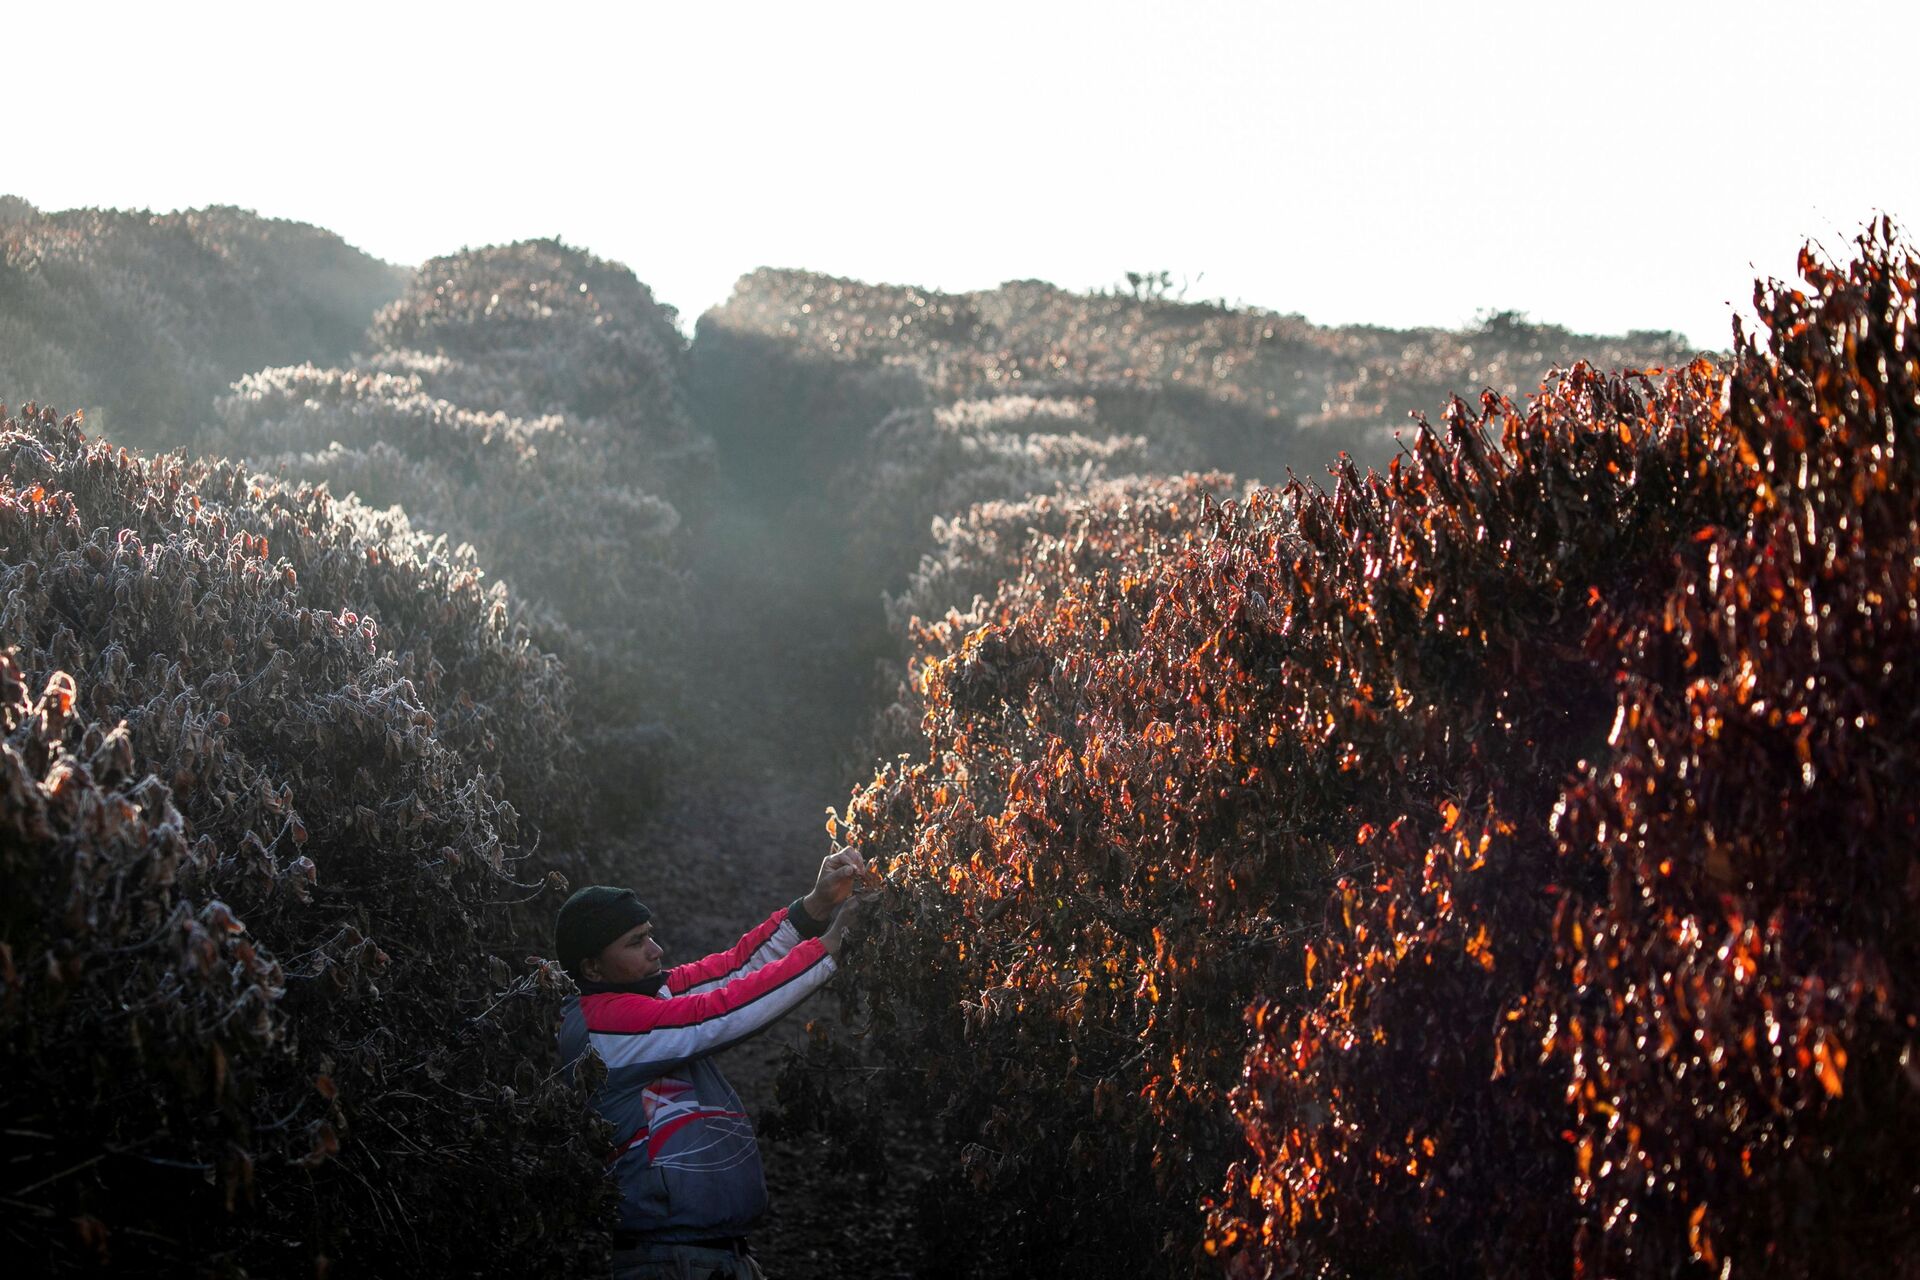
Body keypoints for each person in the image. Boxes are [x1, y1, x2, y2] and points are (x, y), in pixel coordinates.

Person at [554, 848, 867, 1279]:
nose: (656, 950)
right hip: (669, 1263)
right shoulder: (599, 1028)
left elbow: (733, 970)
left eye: (649, 934)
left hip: (707, 1257)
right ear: (592, 968)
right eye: (635, 942)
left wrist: (815, 906)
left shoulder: (646, 994)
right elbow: (717, 1015)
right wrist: (829, 947)